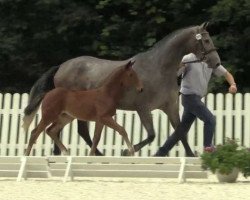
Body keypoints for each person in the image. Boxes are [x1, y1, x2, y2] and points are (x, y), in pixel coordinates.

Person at [154, 53, 237, 156]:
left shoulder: (211, 60)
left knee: (182, 131)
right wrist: (179, 66)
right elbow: (176, 74)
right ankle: (207, 148)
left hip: (196, 98)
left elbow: (226, 74)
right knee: (210, 120)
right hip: (188, 97)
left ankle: (160, 154)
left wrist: (233, 84)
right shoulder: (188, 58)